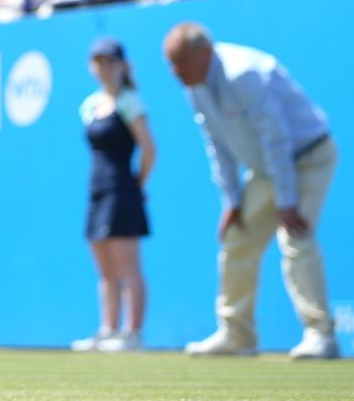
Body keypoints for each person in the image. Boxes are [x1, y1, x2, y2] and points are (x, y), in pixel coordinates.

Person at [164, 23, 340, 360]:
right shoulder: (194, 86)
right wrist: (232, 201)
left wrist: (287, 202)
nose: (176, 72)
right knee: (237, 238)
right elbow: (217, 146)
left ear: (204, 53)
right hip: (266, 170)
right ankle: (237, 335)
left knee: (295, 238)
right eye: (172, 64)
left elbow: (277, 140)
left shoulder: (244, 73)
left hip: (309, 157)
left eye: (181, 62)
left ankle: (321, 336)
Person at [70, 38, 157, 354]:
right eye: (98, 62)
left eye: (110, 61)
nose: (104, 68)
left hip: (122, 191)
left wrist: (138, 184)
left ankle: (132, 333)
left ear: (122, 65)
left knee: (128, 267)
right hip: (97, 191)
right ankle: (107, 331)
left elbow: (149, 149)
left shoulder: (130, 102)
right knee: (105, 270)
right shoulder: (90, 105)